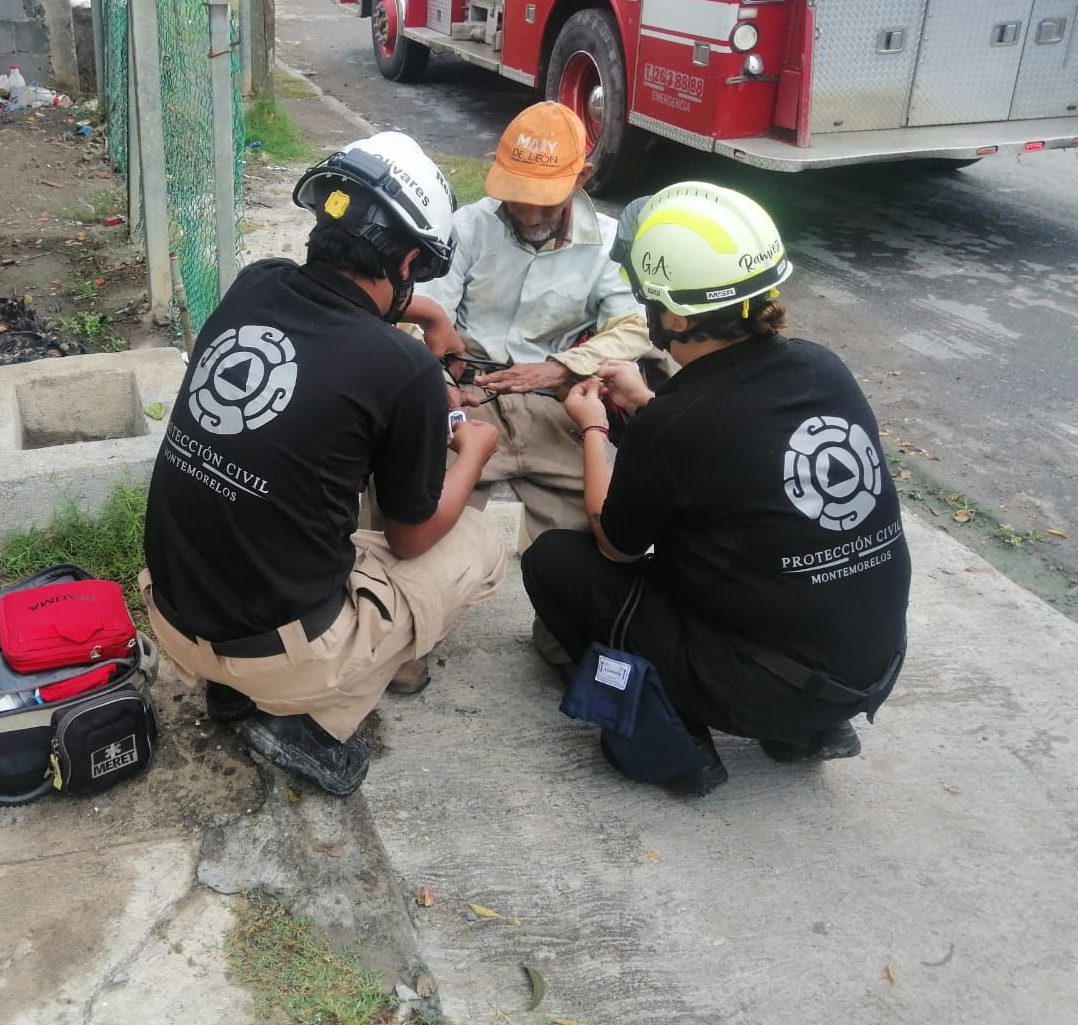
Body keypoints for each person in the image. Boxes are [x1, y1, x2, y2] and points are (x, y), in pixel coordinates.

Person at [139, 132, 508, 796]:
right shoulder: (405, 371)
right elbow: (410, 539)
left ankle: (231, 688)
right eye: (418, 272)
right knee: (481, 541)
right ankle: (308, 719)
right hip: (276, 654)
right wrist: (474, 451)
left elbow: (347, 315)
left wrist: (429, 315)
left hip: (172, 613)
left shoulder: (256, 283)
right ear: (408, 259)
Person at [523, 182, 910, 795]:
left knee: (556, 562)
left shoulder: (677, 423)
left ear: (675, 317)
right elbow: (739, 442)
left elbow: (616, 545)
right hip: (867, 668)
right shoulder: (822, 367)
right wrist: (651, 407)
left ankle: (672, 737)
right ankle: (813, 728)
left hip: (760, 685)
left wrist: (594, 426)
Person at [408, 101, 659, 540]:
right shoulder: (467, 227)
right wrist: (440, 380)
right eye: (517, 195)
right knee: (413, 503)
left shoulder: (607, 243)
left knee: (606, 522)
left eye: (544, 200)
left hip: (557, 401)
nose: (528, 213)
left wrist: (562, 367)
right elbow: (427, 315)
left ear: (581, 177)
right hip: (469, 393)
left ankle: (552, 575)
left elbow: (635, 327)